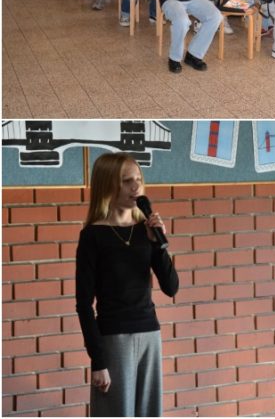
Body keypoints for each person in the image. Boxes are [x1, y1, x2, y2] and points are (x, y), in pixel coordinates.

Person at [76, 152, 179, 417]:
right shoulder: (93, 236)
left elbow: (171, 287)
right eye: (125, 181)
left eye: (138, 179)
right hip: (113, 339)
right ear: (107, 185)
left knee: (149, 412)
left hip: (149, 335)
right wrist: (97, 361)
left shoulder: (146, 230)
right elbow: (84, 304)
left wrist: (158, 244)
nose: (135, 187)